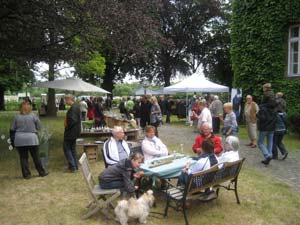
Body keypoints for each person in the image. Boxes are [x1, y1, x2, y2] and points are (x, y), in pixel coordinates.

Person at [11, 102, 48, 179]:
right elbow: (39, 126)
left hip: (20, 139)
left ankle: (26, 174)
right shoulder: (33, 116)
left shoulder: (16, 117)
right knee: (36, 156)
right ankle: (41, 172)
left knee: (23, 157)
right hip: (32, 139)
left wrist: (12, 141)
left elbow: (12, 129)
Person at [257, 83, 277, 165]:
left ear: (265, 88)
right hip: (272, 126)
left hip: (265, 127)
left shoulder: (263, 107)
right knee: (270, 142)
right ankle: (269, 156)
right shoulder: (274, 107)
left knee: (260, 142)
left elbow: (262, 118)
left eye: (263, 88)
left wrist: (257, 114)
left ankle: (267, 155)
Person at [63, 94, 81, 172]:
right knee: (72, 149)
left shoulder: (74, 108)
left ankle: (73, 166)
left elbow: (73, 120)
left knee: (66, 148)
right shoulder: (76, 106)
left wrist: (66, 126)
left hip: (71, 131)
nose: (65, 101)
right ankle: (75, 165)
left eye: (66, 100)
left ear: (70, 99)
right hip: (74, 131)